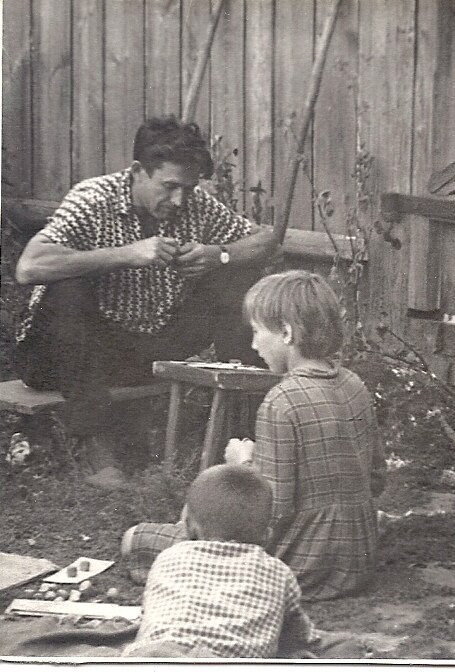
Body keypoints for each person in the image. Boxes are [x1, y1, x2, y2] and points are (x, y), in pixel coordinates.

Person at [13, 115, 277, 490]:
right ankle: (96, 452)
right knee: (66, 289)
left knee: (234, 275)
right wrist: (125, 254)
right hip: (58, 354)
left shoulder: (194, 203)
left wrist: (219, 254)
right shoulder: (94, 198)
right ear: (138, 171)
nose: (180, 199)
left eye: (188, 187)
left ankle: (249, 436)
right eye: (169, 187)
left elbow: (265, 240)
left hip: (141, 345)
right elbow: (29, 266)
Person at [123, 271, 386, 602]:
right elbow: (376, 480)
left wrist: (244, 464)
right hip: (357, 559)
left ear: (287, 333)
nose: (252, 344)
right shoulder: (354, 385)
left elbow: (272, 512)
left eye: (258, 332)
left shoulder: (282, 400)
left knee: (137, 539)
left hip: (299, 568)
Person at [122, 464, 316, 658]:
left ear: (188, 528)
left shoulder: (168, 557)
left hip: (160, 655)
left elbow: (150, 615)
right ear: (267, 536)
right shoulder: (279, 572)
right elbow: (299, 634)